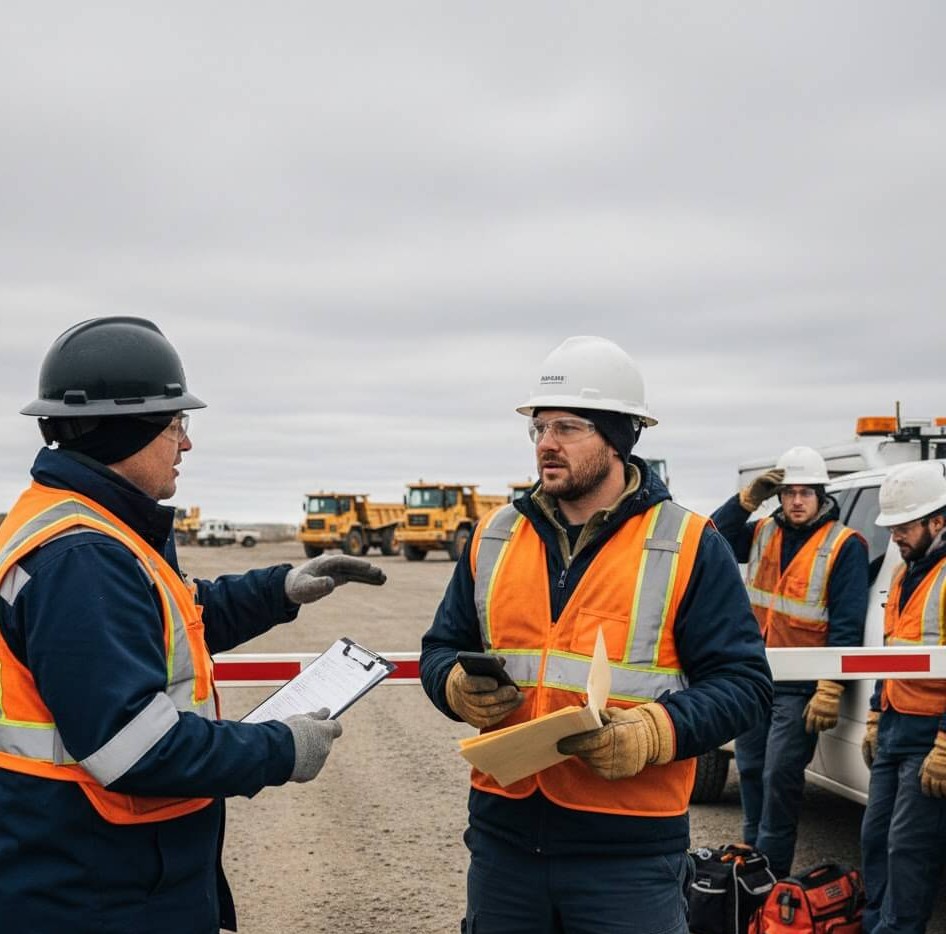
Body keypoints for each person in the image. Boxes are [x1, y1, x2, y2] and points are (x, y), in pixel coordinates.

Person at [0, 317, 386, 933]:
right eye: (176, 424)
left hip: (97, 866)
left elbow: (169, 616)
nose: (186, 444)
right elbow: (135, 749)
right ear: (129, 431)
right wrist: (280, 748)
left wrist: (279, 589)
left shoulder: (84, 525)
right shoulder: (84, 556)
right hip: (98, 888)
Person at [420, 335, 772, 934]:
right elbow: (439, 649)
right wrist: (453, 685)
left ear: (617, 438)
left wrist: (656, 732)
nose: (547, 444)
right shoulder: (494, 536)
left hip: (627, 859)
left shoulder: (687, 543)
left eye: (569, 426)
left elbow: (744, 685)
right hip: (504, 847)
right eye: (538, 427)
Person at [711, 445, 869, 878]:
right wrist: (746, 500)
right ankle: (750, 862)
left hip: (799, 687)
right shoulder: (762, 530)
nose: (797, 501)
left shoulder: (844, 545)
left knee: (779, 779)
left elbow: (847, 621)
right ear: (778, 496)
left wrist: (830, 686)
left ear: (822, 496)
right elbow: (710, 537)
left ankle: (771, 875)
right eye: (789, 492)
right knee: (750, 769)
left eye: (806, 492)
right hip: (756, 677)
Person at [860, 460, 946, 934]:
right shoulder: (904, 573)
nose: (895, 536)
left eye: (904, 527)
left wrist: (945, 742)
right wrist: (875, 713)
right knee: (875, 838)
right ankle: (876, 924)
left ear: (938, 521)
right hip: (894, 723)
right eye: (891, 527)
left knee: (908, 848)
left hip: (929, 734)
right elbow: (890, 651)